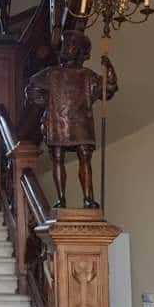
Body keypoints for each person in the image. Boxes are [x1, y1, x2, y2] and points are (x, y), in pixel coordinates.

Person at [26, 30, 117, 208]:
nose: (66, 48)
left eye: (71, 45)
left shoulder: (87, 75)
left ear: (80, 51)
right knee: (57, 157)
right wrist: (47, 103)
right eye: (65, 44)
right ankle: (61, 199)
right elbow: (31, 89)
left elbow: (109, 88)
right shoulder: (51, 73)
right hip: (57, 122)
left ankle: (88, 198)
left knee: (85, 157)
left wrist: (109, 67)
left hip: (81, 123)